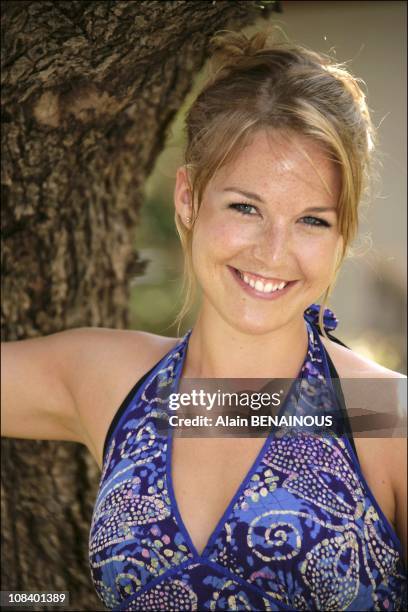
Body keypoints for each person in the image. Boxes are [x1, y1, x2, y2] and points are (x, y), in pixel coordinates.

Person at [1, 28, 407, 611]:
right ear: (188, 198)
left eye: (312, 220)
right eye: (245, 207)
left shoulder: (385, 415)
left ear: (343, 232)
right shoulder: (114, 383)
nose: (273, 251)